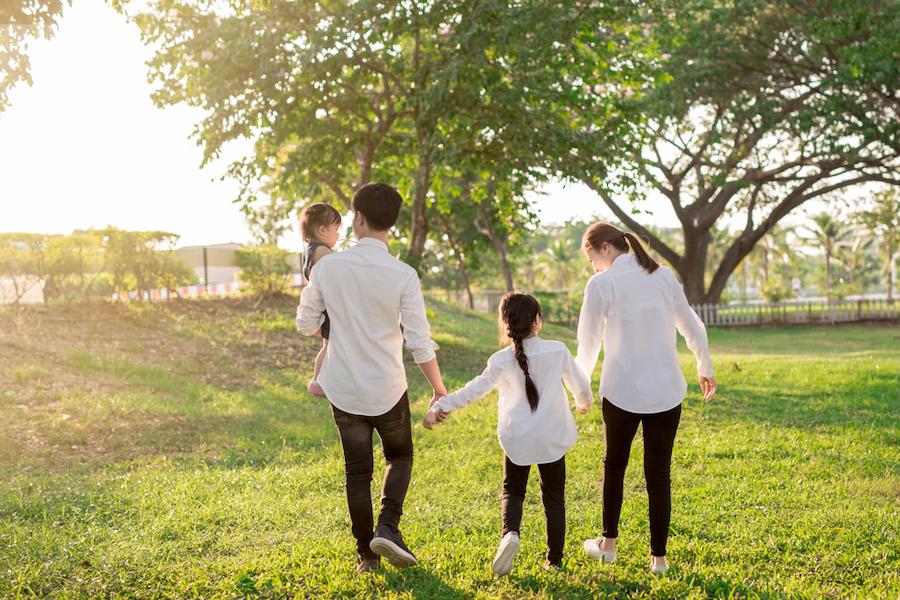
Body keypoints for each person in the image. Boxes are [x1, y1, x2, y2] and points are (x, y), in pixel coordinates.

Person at [296, 183, 446, 574]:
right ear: (392, 224)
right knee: (400, 456)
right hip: (388, 387)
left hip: (344, 389)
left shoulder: (327, 268)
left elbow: (305, 324)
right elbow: (419, 342)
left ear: (358, 218)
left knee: (357, 470)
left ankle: (366, 555)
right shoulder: (404, 275)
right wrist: (439, 389)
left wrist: (341, 326)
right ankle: (388, 528)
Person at [574, 222, 716, 575]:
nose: (592, 265)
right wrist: (704, 364)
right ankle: (659, 560)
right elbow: (692, 325)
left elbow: (587, 347)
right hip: (666, 392)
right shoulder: (663, 277)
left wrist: (580, 392)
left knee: (614, 466)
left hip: (621, 392)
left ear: (605, 247)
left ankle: (608, 545)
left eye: (591, 257)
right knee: (659, 474)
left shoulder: (602, 284)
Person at [424, 292, 593, 575]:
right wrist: (582, 402)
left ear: (505, 324)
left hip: (518, 438)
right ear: (537, 321)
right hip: (552, 436)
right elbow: (582, 388)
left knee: (513, 491)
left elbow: (473, 390)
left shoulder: (501, 359)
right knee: (554, 499)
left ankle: (511, 533)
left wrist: (441, 406)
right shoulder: (557, 350)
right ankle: (554, 561)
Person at [299, 202, 342, 398]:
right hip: (329, 307)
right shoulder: (323, 252)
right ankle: (318, 380)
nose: (339, 235)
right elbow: (336, 276)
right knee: (331, 345)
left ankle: (318, 379)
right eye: (336, 229)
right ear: (323, 230)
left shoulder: (309, 251)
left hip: (322, 306)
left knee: (328, 345)